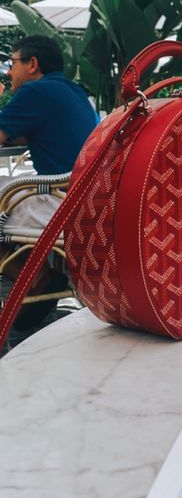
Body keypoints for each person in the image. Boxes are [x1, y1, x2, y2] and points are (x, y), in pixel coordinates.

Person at [0, 35, 98, 328]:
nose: (8, 70)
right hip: (87, 194)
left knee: (4, 205)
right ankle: (37, 274)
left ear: (33, 64)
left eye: (13, 62)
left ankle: (30, 274)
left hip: (60, 200)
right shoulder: (73, 90)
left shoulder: (35, 93)